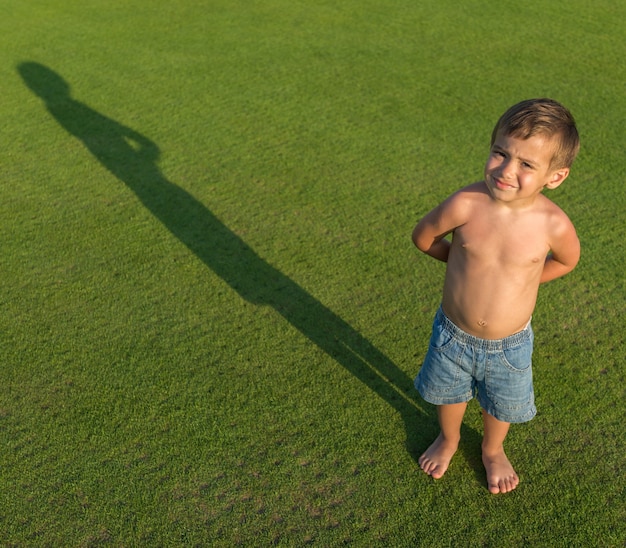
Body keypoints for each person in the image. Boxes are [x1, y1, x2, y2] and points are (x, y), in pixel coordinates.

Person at [412, 98, 580, 494]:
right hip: (454, 333)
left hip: (510, 344)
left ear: (554, 177)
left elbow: (568, 261)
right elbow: (423, 237)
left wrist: (525, 280)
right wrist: (461, 262)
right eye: (500, 153)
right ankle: (449, 439)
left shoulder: (553, 224)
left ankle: (492, 450)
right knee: (448, 394)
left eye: (526, 164)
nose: (506, 170)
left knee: (499, 403)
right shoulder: (466, 204)